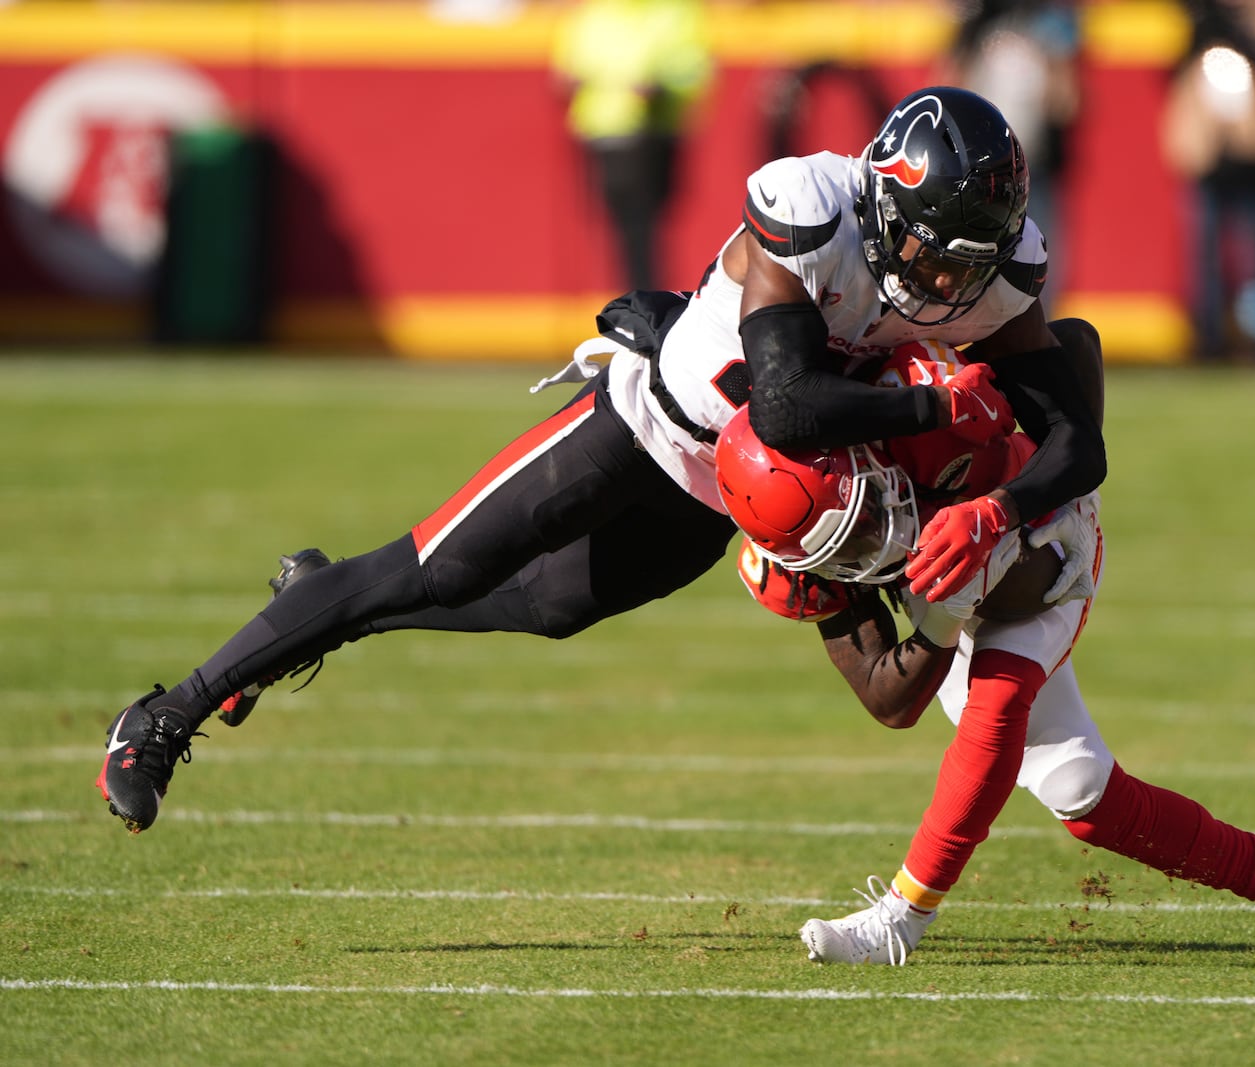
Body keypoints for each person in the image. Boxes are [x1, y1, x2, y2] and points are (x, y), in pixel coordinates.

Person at [97, 86, 1108, 835]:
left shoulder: (988, 269)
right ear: (888, 201)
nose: (946, 280)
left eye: (966, 262)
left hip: (739, 493)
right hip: (642, 424)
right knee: (437, 564)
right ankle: (164, 713)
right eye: (935, 250)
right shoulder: (814, 204)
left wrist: (1004, 506)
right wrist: (937, 399)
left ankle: (320, 602)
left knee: (549, 607)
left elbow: (1078, 433)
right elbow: (792, 406)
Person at [712, 337, 1255, 967]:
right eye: (846, 547)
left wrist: (1013, 504)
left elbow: (1076, 345)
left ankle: (901, 916)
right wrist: (938, 621)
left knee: (998, 698)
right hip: (956, 595)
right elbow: (888, 698)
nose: (873, 543)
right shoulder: (800, 545)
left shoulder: (917, 404)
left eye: (865, 518)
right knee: (1084, 794)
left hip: (1037, 538)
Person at [1160, 0, 1255, 361]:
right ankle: (1210, 332)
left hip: (1250, 155)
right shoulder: (1203, 19)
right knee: (1208, 245)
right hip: (1210, 150)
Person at [551, 0, 713, 291]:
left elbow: (693, 70)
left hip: (651, 133)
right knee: (630, 230)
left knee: (640, 230)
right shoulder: (598, 12)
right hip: (606, 134)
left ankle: (643, 308)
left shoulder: (673, 11)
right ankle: (639, 308)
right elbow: (567, 70)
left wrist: (661, 88)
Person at [942, 0, 1082, 311]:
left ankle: (1036, 318)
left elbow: (1067, 100)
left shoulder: (1050, 20)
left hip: (1033, 159)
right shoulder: (978, 18)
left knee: (1039, 245)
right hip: (983, 164)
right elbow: (951, 81)